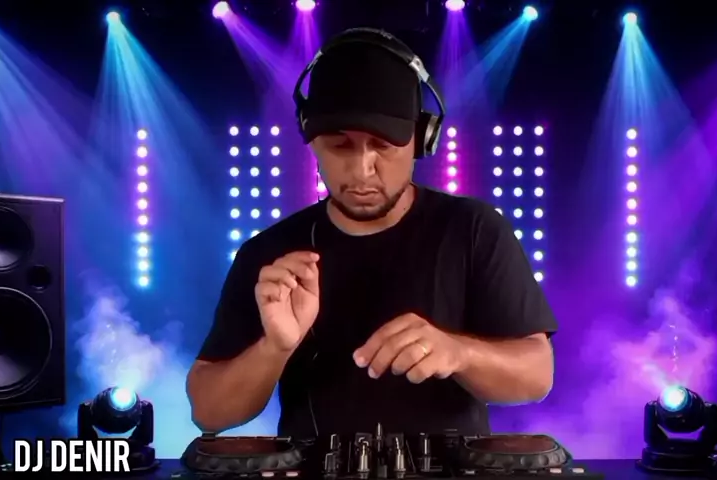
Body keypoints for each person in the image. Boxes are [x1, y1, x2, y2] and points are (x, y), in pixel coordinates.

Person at [187, 28, 557, 438]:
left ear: (422, 138)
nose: (362, 170)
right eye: (340, 145)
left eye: (382, 145)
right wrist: (274, 347)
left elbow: (537, 375)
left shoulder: (474, 229)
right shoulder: (270, 255)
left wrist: (460, 352)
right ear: (311, 141)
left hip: (451, 467)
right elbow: (208, 413)